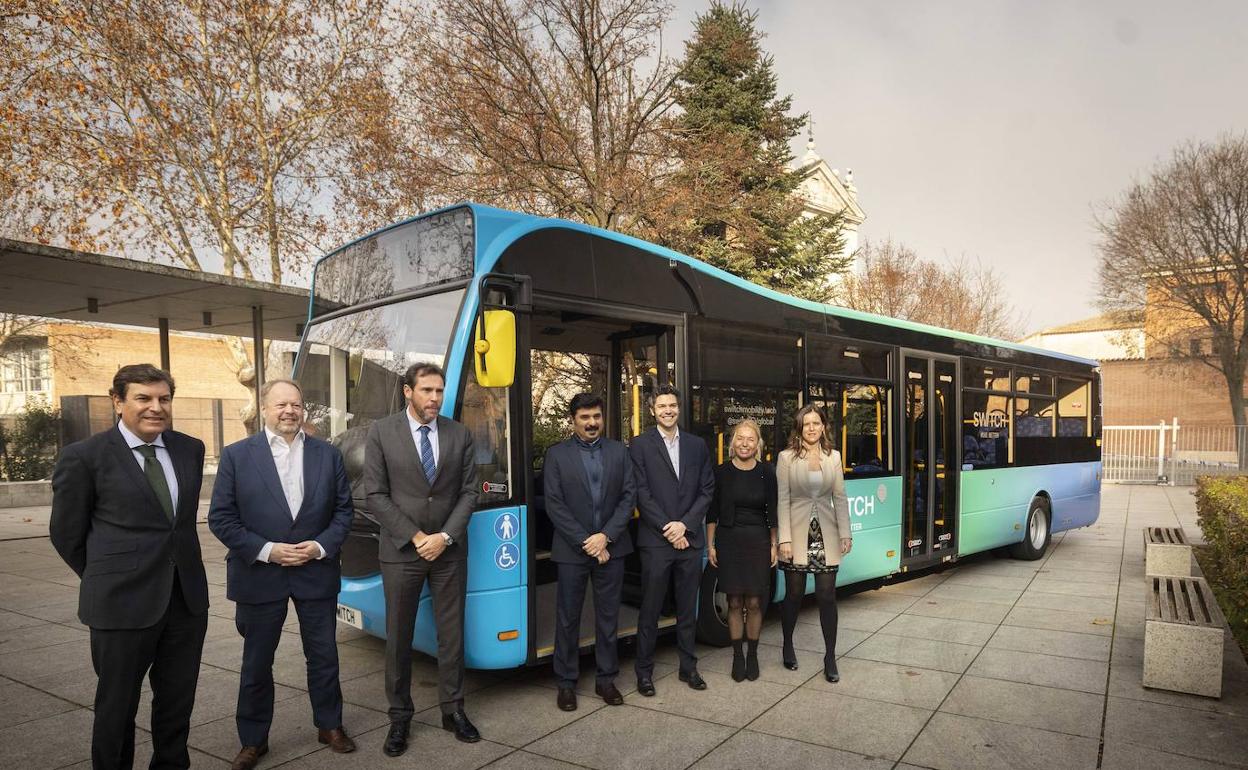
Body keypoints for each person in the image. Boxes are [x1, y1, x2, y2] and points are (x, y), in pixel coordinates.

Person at [49, 364, 209, 770]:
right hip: (120, 606)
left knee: (176, 704)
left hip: (185, 601)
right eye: (144, 398)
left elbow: (178, 525)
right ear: (118, 402)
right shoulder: (84, 457)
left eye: (164, 399)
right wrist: (109, 578)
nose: (156, 407)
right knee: (116, 709)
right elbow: (66, 535)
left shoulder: (190, 448)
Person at [208, 379, 357, 770]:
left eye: (295, 403)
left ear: (303, 407)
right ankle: (253, 741)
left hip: (315, 570)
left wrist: (321, 546)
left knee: (324, 656)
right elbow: (221, 518)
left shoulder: (328, 455)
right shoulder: (237, 455)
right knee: (257, 662)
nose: (289, 410)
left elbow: (344, 512)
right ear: (264, 408)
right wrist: (268, 551)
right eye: (280, 405)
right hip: (260, 574)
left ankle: (330, 726)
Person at [364, 362, 480, 756]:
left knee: (452, 635)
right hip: (402, 552)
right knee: (398, 637)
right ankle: (399, 719)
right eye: (427, 390)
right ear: (407, 392)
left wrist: (445, 537)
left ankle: (454, 711)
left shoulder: (459, 433)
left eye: (439, 391)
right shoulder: (381, 432)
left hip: (448, 552)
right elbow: (375, 494)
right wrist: (416, 537)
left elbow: (469, 492)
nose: (435, 398)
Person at [542, 393, 636, 711]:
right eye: (585, 418)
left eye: (596, 416)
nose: (592, 423)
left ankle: (606, 680)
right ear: (573, 420)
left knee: (608, 617)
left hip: (612, 549)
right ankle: (566, 683)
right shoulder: (556, 455)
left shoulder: (619, 452)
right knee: (568, 618)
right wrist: (588, 542)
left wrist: (606, 537)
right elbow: (554, 505)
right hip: (572, 551)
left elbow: (628, 497)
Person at [629, 385, 715, 695]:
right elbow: (641, 493)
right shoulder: (639, 446)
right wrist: (669, 528)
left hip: (689, 541)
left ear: (679, 409)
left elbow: (707, 489)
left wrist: (685, 526)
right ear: (652, 410)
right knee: (650, 610)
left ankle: (688, 667)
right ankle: (643, 673)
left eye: (673, 405)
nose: (668, 410)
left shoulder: (696, 445)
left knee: (687, 610)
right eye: (662, 405)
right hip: (656, 542)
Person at [776, 404, 852, 682]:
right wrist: (784, 538)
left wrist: (846, 533)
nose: (811, 428)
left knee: (827, 596)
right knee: (794, 595)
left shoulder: (834, 457)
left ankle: (830, 656)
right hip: (795, 535)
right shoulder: (786, 458)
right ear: (800, 427)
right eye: (806, 423)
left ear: (823, 427)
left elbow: (840, 497)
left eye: (816, 423)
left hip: (825, 534)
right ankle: (787, 645)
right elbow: (783, 499)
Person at [706, 419, 778, 682]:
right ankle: (737, 655)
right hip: (729, 540)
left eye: (750, 439)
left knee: (755, 602)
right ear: (732, 442)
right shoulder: (721, 472)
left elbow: (772, 511)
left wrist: (773, 545)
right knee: (734, 601)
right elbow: (712, 512)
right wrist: (710, 544)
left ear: (757, 444)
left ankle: (753, 655)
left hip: (758, 540)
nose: (744, 443)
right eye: (740, 438)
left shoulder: (767, 472)